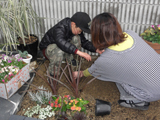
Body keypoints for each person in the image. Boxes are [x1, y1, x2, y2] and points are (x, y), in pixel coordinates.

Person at [73, 12, 160, 110]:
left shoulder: (106, 60)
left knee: (119, 76)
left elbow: (93, 70)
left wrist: (80, 74)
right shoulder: (131, 34)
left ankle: (136, 101)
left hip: (153, 92)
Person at [39, 12, 98, 76]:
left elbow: (84, 42)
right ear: (73, 24)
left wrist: (96, 49)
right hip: (48, 50)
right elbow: (60, 42)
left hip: (61, 47)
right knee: (59, 50)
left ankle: (70, 59)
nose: (79, 32)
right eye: (80, 30)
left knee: (76, 38)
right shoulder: (60, 28)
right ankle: (53, 74)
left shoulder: (75, 28)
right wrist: (79, 52)